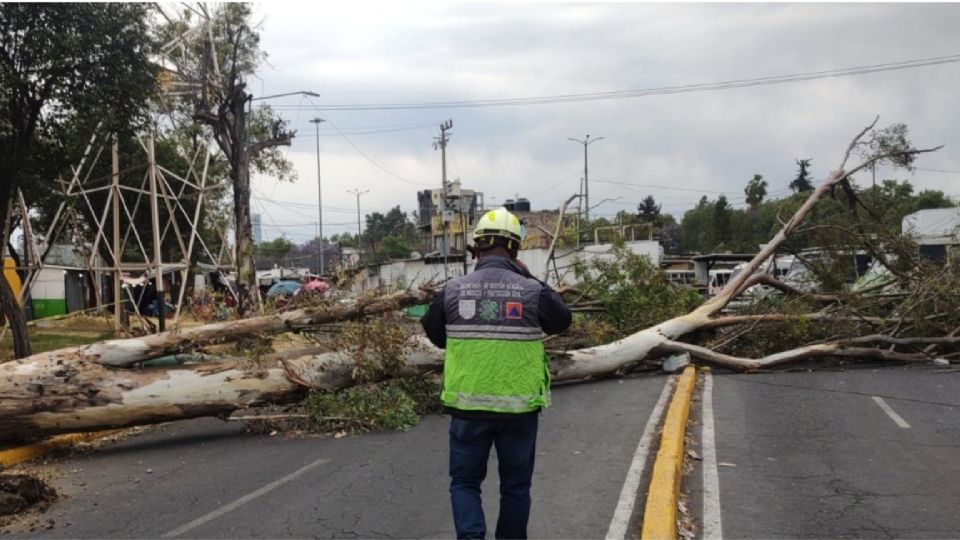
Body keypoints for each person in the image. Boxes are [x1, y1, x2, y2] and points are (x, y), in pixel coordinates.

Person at [421, 207, 572, 539]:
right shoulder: (531, 291)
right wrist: (529, 277)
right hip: (519, 411)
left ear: (476, 249)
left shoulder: (453, 290)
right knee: (516, 487)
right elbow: (562, 320)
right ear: (515, 249)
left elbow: (435, 334)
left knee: (464, 483)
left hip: (468, 408)